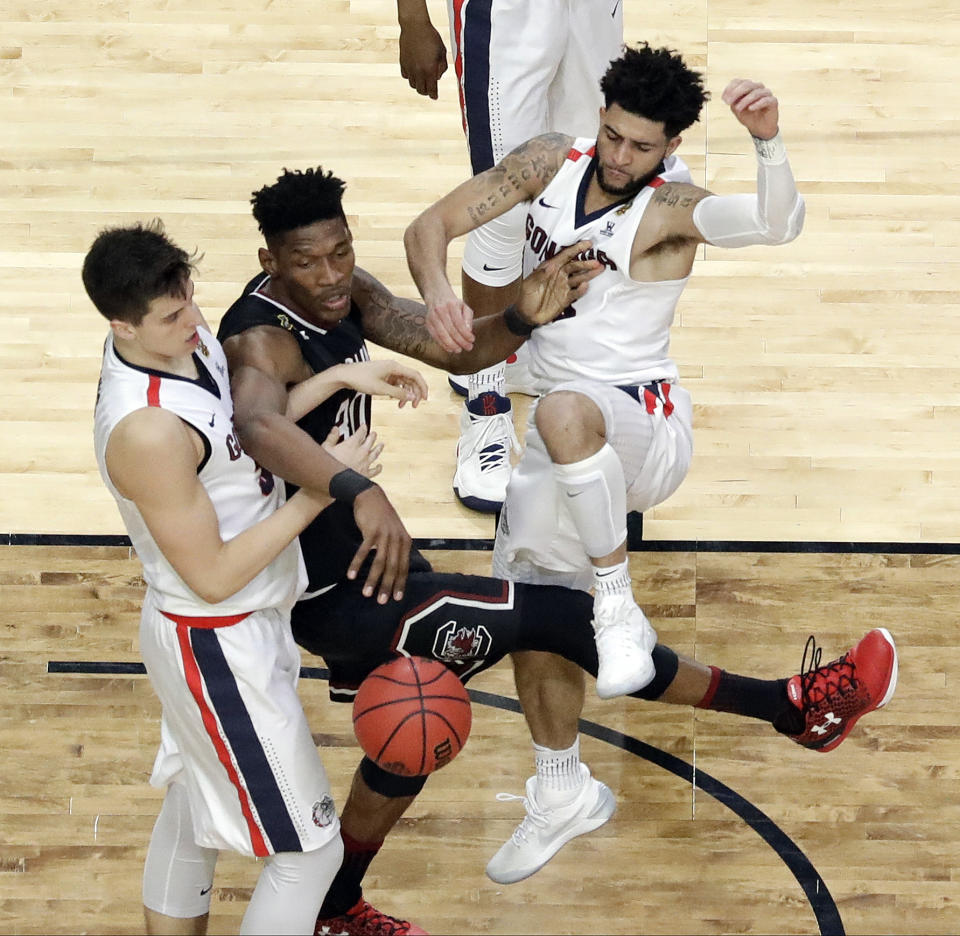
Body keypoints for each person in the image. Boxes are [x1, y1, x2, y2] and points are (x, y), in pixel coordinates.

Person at [215, 167, 895, 932]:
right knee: (565, 619)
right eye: (309, 262)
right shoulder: (260, 339)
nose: (333, 275)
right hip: (328, 593)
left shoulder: (342, 295)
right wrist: (358, 490)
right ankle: (790, 708)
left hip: (364, 572)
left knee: (411, 724)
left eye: (341, 251)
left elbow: (458, 353)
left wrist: (523, 318)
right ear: (271, 261)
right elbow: (258, 427)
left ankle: (337, 905)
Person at [404, 45, 806, 707]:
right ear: (600, 116)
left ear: (671, 144)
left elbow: (774, 224)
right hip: (563, 431)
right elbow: (429, 227)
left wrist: (768, 142)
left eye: (641, 147)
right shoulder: (553, 160)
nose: (620, 157)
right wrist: (442, 296)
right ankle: (559, 784)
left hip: (642, 420)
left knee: (561, 409)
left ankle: (617, 604)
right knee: (531, 606)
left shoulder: (669, 209)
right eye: (613, 135)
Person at [85, 221, 405, 934]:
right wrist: (321, 490)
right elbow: (213, 575)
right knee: (310, 852)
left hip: (235, 629)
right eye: (172, 317)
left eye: (190, 300)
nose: (196, 322)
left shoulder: (176, 349)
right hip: (215, 640)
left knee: (193, 805)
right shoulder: (146, 433)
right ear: (121, 326)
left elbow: (232, 441)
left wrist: (338, 377)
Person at [396, 0, 627, 513]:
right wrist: (412, 17)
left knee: (586, 177)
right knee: (499, 211)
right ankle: (484, 403)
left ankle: (522, 354)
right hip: (507, 12)